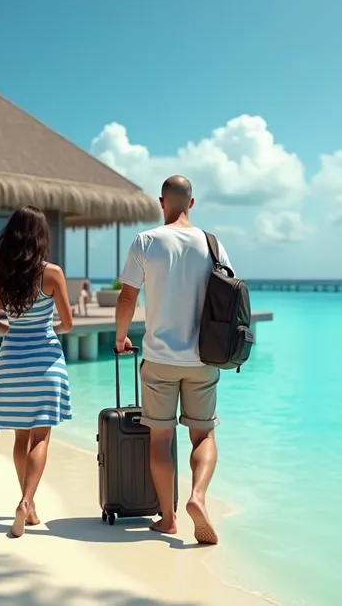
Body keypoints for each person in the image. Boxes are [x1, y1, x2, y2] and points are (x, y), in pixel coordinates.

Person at [115, 175, 232, 544]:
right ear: (192, 204)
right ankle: (197, 496)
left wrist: (121, 337)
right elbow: (229, 297)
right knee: (204, 435)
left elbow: (127, 299)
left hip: (159, 358)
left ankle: (168, 519)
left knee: (160, 441)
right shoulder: (213, 244)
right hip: (203, 357)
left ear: (161, 202)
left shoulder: (145, 241)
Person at [0, 206, 73, 538]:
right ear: (41, 237)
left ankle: (30, 505)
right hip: (46, 362)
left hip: (11, 363)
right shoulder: (52, 274)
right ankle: (26, 501)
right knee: (41, 437)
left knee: (21, 437)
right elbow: (67, 323)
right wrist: (45, 330)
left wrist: (17, 331)